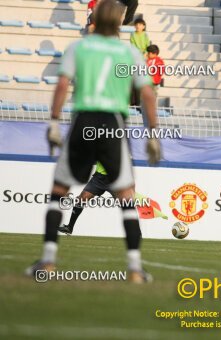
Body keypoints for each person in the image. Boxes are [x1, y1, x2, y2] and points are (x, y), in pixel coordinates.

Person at [25, 0, 161, 283]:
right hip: (113, 124)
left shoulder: (79, 47)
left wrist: (53, 122)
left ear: (95, 20)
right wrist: (153, 133)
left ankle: (48, 261)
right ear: (121, 23)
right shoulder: (130, 52)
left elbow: (62, 84)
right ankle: (135, 268)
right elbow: (147, 94)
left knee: (59, 190)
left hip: (84, 121)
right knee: (126, 195)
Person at [57, 162, 114, 235]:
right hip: (99, 178)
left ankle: (133, 231)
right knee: (81, 199)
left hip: (115, 177)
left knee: (128, 204)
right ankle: (69, 228)